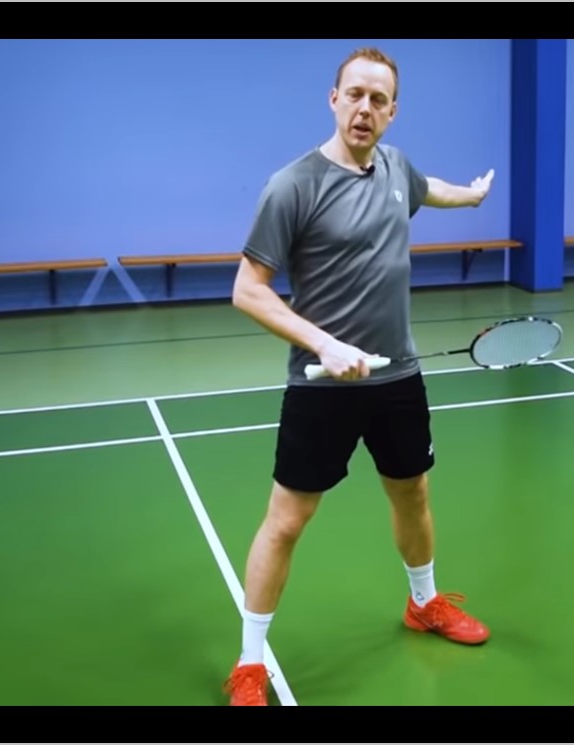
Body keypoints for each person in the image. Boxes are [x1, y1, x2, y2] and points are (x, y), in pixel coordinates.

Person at [223, 47, 496, 707]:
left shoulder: (396, 167)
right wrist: (323, 342)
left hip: (398, 377)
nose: (365, 108)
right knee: (287, 521)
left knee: (413, 494)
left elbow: (428, 191)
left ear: (392, 111)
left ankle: (424, 603)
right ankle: (250, 663)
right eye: (355, 95)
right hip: (322, 385)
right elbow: (247, 290)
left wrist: (472, 195)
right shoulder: (293, 186)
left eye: (378, 99)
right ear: (333, 99)